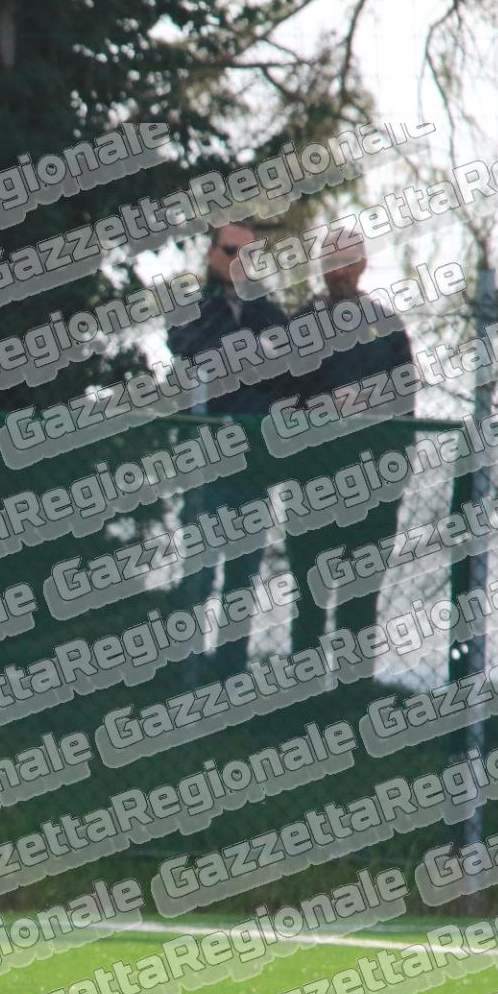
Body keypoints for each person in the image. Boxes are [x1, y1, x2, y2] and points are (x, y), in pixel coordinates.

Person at [282, 225, 416, 673]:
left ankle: (353, 697)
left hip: (372, 489)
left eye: (346, 260)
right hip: (311, 484)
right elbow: (281, 396)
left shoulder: (388, 327)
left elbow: (405, 410)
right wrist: (324, 405)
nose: (337, 270)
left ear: (362, 264)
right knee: (309, 599)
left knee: (360, 603)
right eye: (330, 261)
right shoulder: (299, 324)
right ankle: (302, 697)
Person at [167, 218, 297, 682]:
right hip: (205, 458)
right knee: (199, 569)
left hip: (254, 461)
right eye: (228, 251)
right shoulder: (190, 307)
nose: (237, 261)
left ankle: (229, 676)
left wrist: (243, 362)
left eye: (247, 254)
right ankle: (185, 676)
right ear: (210, 253)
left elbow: (290, 368)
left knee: (243, 574)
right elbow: (197, 354)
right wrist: (255, 357)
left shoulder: (268, 311)